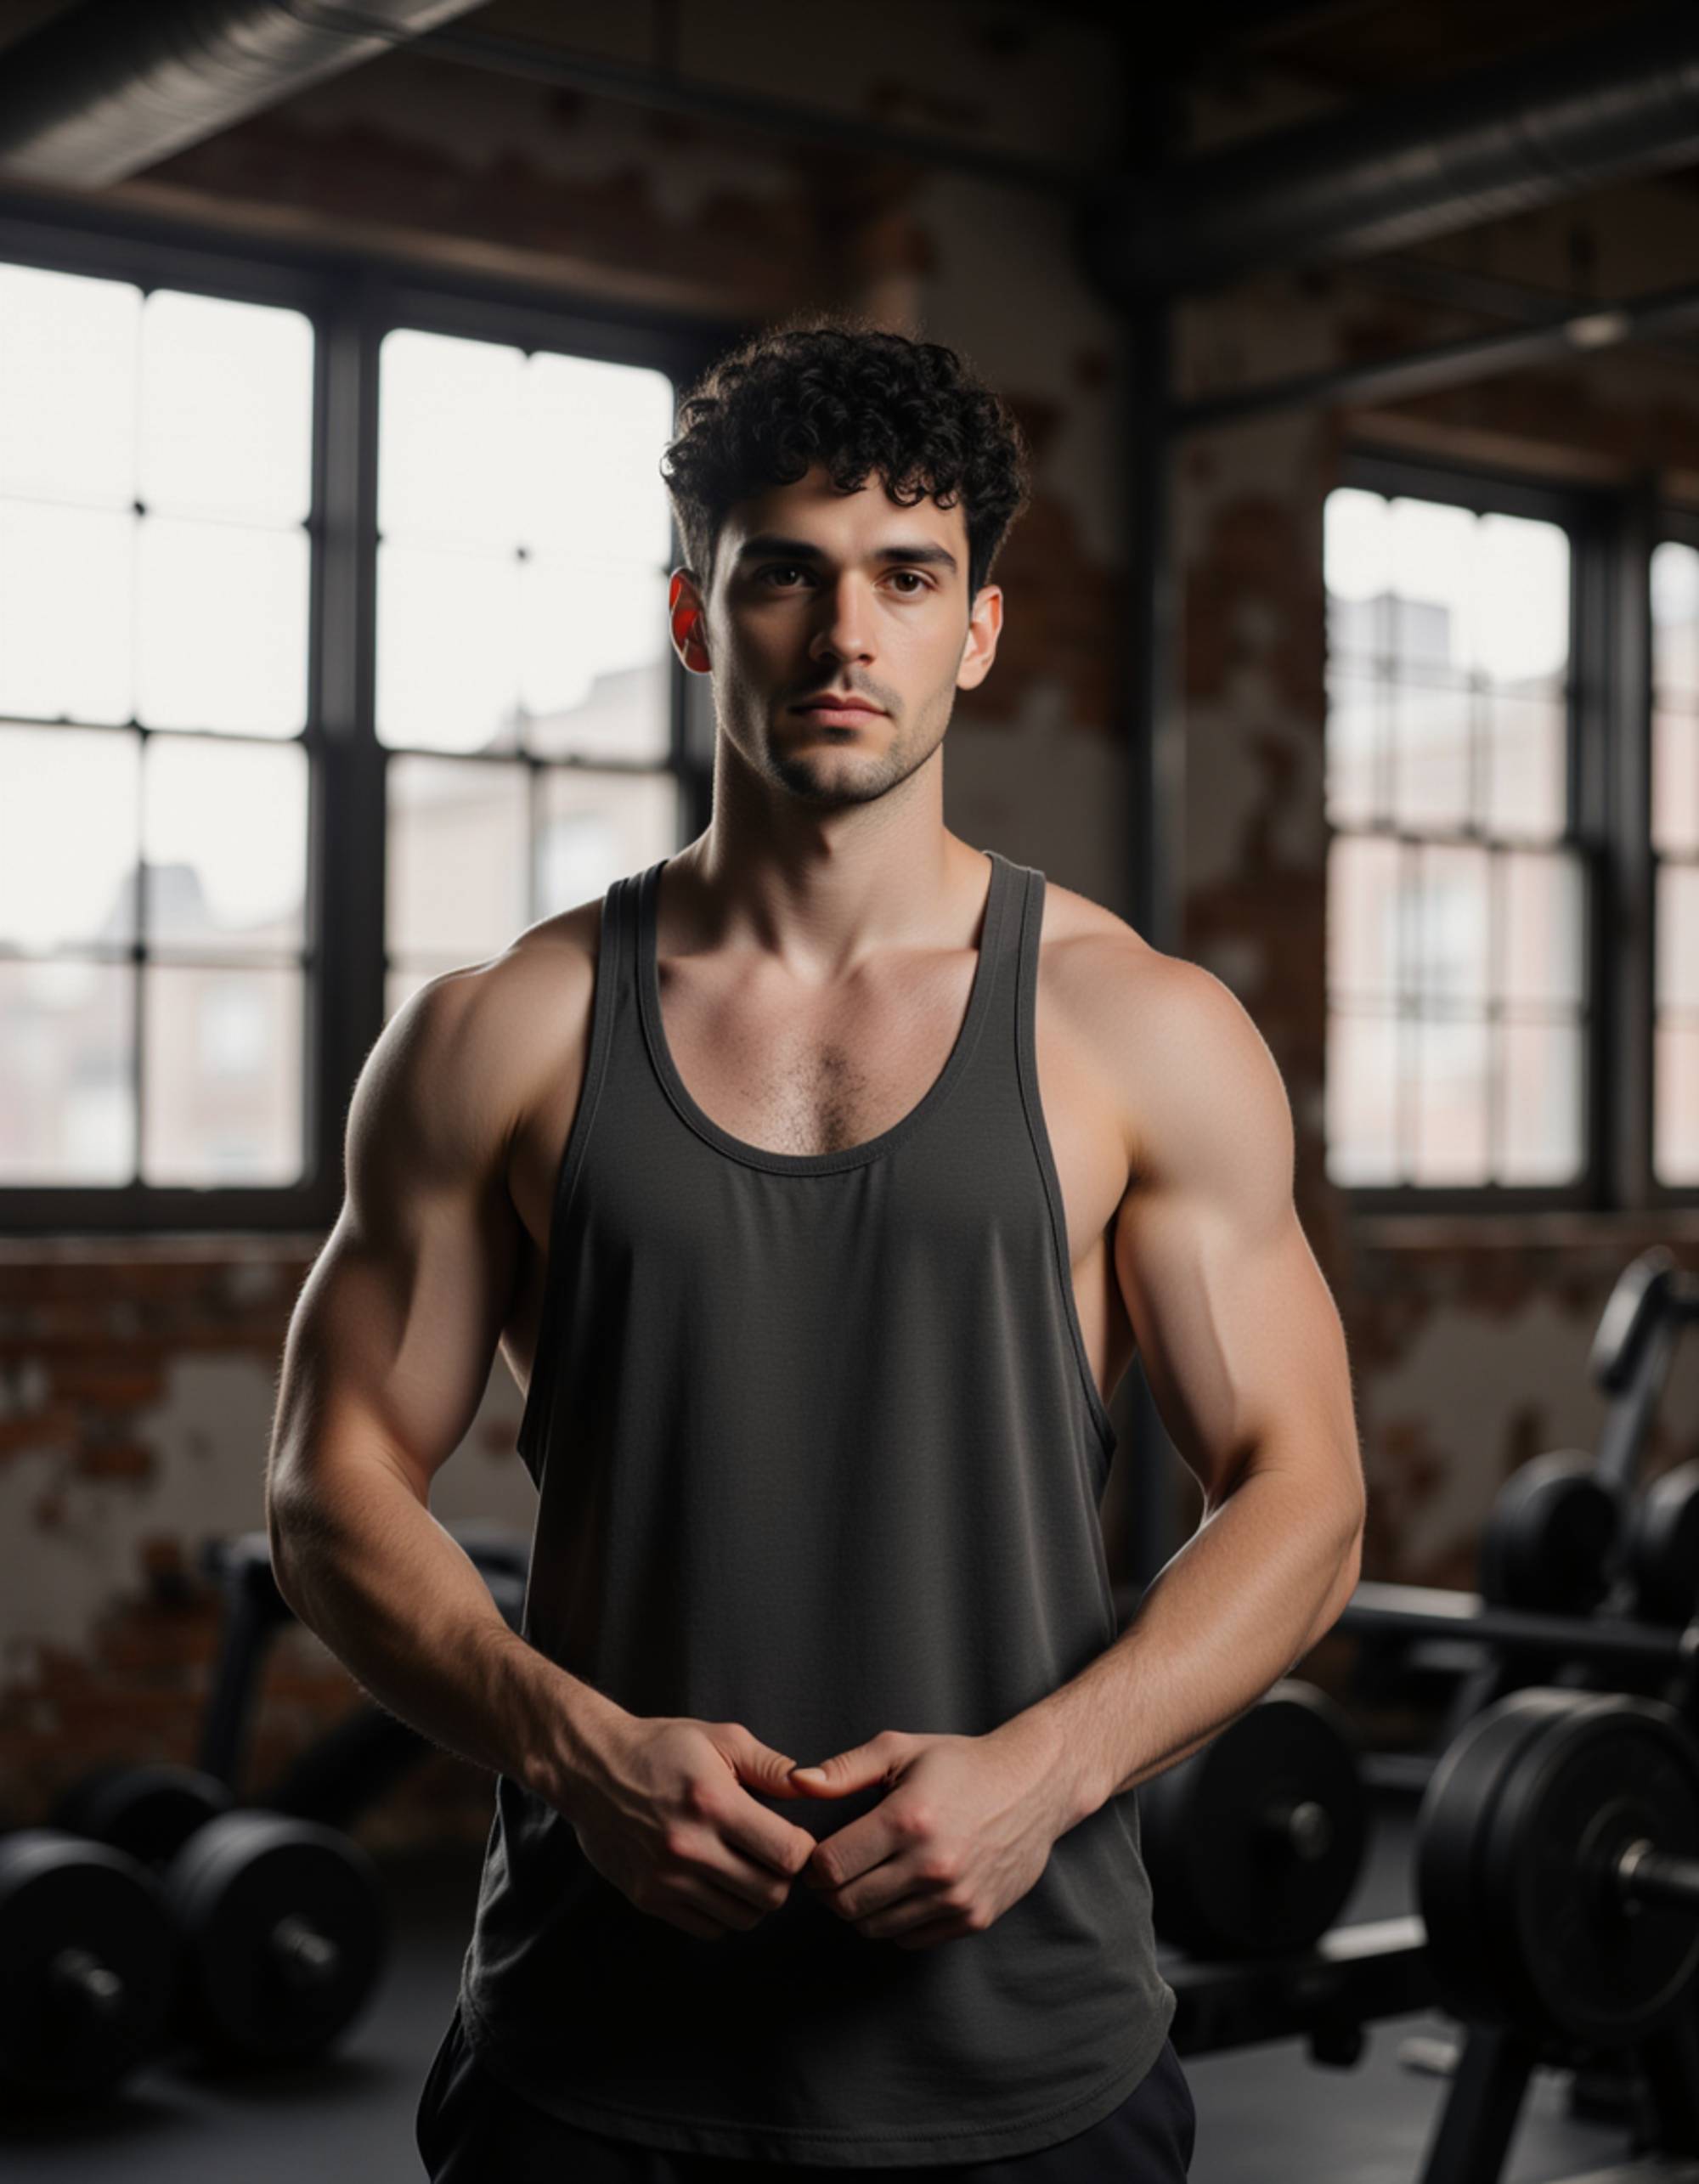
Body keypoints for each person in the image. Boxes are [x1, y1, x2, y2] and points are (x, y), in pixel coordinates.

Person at [265, 313, 1366, 2181]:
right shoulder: (495, 1032)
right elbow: (330, 1478)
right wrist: (571, 1743)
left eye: (907, 576)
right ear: (699, 614)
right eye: (785, 570)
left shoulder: (1138, 1025)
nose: (847, 635)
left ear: (978, 630)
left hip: (1027, 2060)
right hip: (590, 2061)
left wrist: (1050, 1769)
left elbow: (1303, 1490)